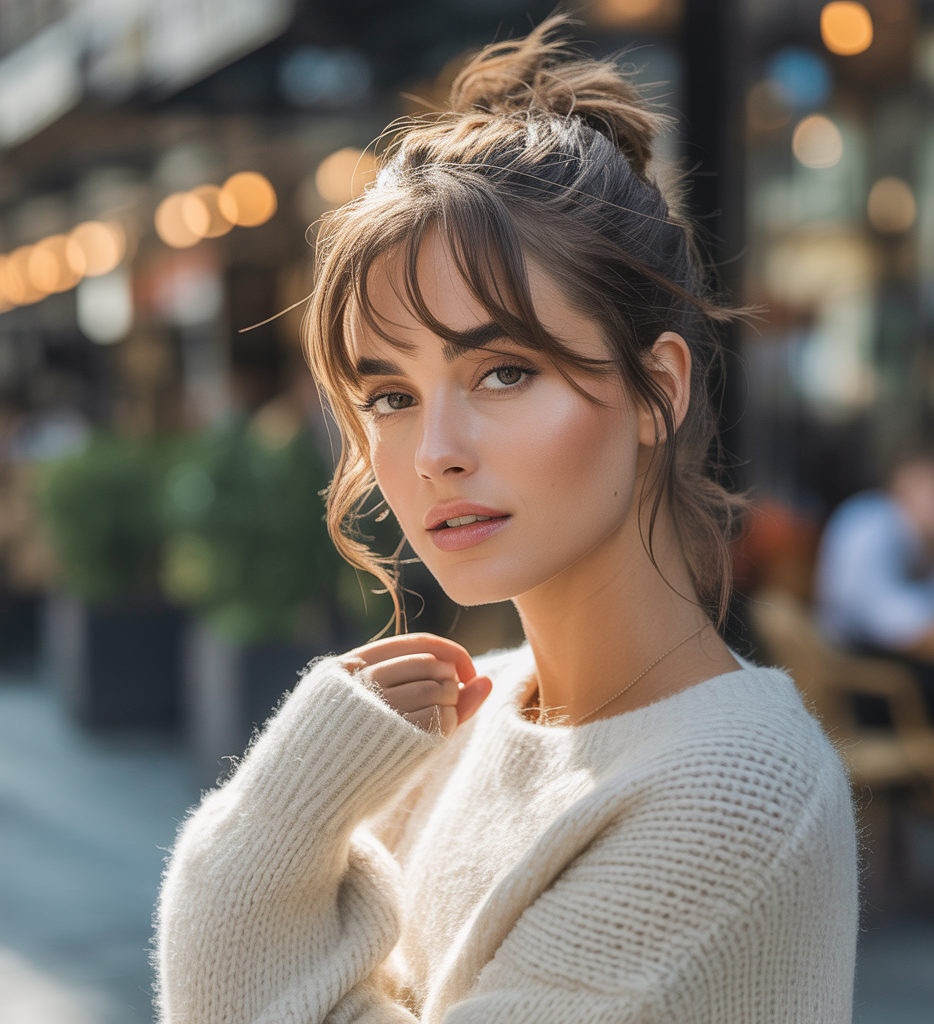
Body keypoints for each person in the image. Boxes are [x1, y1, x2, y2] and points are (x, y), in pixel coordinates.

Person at [154, 18, 858, 1023]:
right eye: (389, 394)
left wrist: (277, 834)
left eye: (504, 371)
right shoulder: (464, 721)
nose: (435, 448)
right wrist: (280, 819)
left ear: (657, 391)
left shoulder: (738, 789)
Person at [815, 456, 934, 652]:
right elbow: (889, 623)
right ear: (900, 489)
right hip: (851, 657)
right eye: (931, 492)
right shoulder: (869, 525)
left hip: (908, 650)